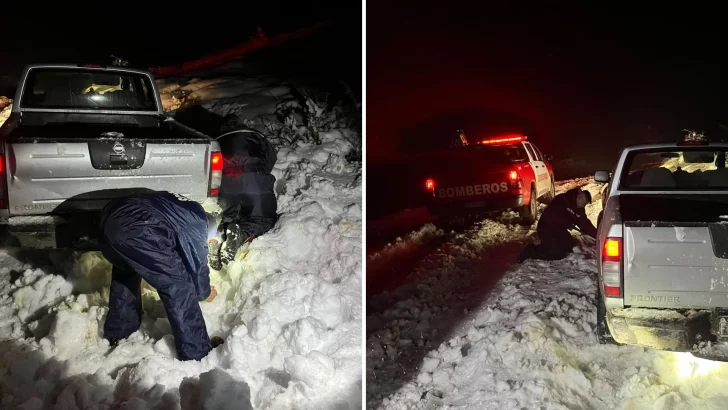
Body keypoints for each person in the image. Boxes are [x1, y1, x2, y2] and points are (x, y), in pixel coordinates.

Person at [99, 190, 222, 361]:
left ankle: (120, 332)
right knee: (179, 287)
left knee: (126, 272)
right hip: (140, 225)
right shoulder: (197, 220)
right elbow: (196, 262)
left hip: (108, 222)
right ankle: (197, 352)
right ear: (208, 227)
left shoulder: (183, 207)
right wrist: (204, 292)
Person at [208, 127, 278, 270]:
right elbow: (272, 158)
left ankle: (217, 238)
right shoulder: (257, 135)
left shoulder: (218, 138)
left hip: (226, 182)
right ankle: (241, 234)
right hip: (254, 180)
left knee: (228, 216)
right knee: (262, 220)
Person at [517, 188, 597, 263]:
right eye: (581, 201)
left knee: (571, 247)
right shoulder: (562, 199)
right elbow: (554, 216)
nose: (581, 205)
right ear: (578, 196)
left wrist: (598, 235)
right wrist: (568, 223)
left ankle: (549, 246)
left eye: (583, 204)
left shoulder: (579, 210)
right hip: (546, 227)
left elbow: (585, 224)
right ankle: (531, 251)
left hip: (560, 230)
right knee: (556, 253)